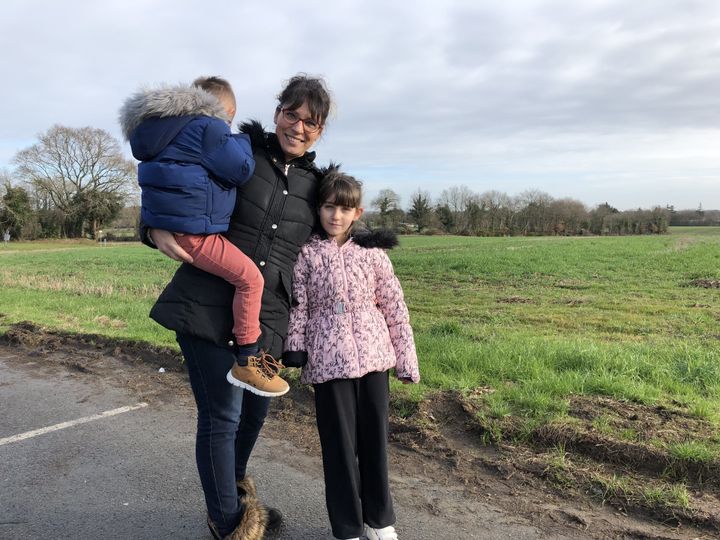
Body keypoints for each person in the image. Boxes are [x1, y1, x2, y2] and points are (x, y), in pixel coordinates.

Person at [139, 75, 333, 540]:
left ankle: (235, 491)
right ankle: (228, 520)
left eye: (311, 121)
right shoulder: (240, 151)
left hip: (267, 321)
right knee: (222, 414)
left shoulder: (318, 184)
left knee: (253, 415)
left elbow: (339, 233)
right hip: (206, 305)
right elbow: (174, 177)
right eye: (292, 113)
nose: (299, 126)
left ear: (321, 130)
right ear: (277, 112)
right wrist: (149, 228)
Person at [119, 76, 289, 397]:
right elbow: (240, 170)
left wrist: (152, 225)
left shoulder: (163, 130)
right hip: (194, 235)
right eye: (230, 118)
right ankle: (248, 358)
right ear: (228, 109)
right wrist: (240, 140)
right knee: (250, 279)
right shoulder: (209, 129)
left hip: (179, 228)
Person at [283, 172, 421, 540]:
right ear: (319, 208)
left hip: (375, 358)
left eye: (345, 209)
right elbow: (300, 305)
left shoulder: (372, 253)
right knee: (339, 448)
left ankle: (379, 520)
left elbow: (394, 305)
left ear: (357, 213)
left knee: (374, 441)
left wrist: (406, 356)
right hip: (328, 362)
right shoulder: (307, 254)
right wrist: (294, 346)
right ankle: (346, 526)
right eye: (329, 207)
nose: (336, 216)